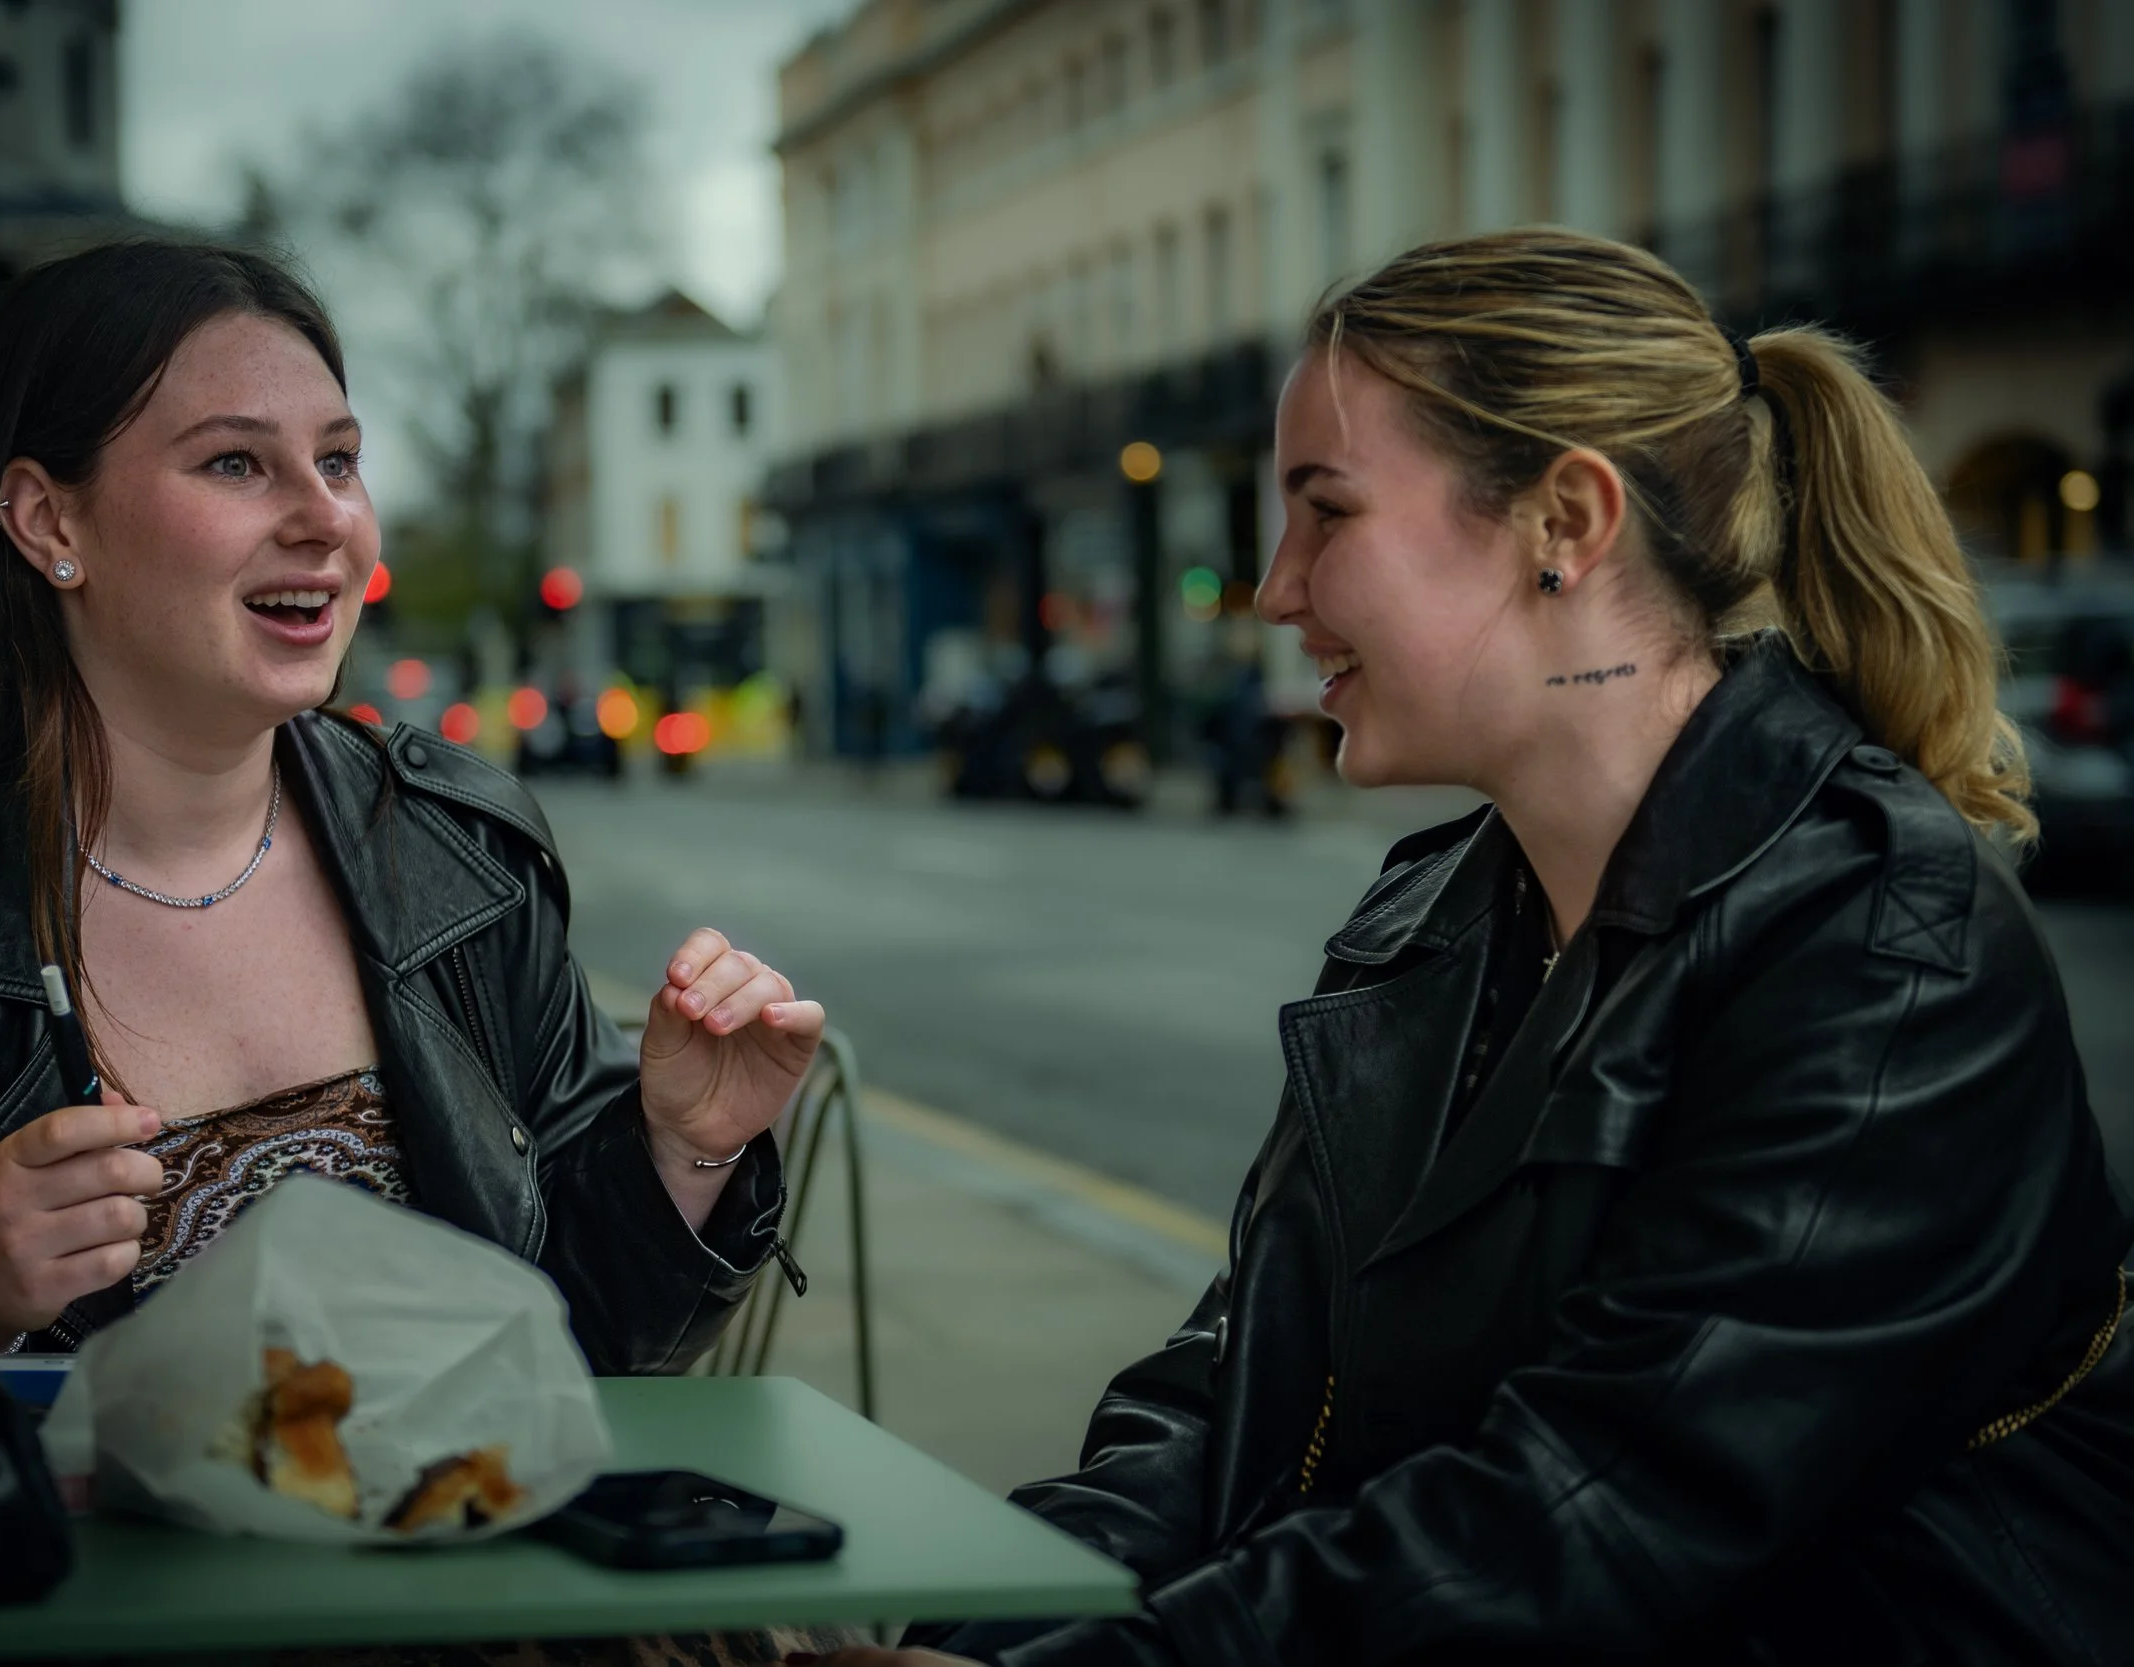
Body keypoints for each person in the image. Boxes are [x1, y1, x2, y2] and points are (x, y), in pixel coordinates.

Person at [814, 230, 2134, 1665]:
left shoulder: (1887, 944)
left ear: (1566, 520)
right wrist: (990, 1626)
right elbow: (1225, 1392)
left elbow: (1594, 1514)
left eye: (1328, 513)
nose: (1275, 587)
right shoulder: (1429, 916)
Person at [0, 240, 823, 1380]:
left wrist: (684, 1146)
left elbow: (584, 1348)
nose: (325, 519)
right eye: (235, 463)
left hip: (456, 1588)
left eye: (340, 461)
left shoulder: (459, 850)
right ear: (50, 522)